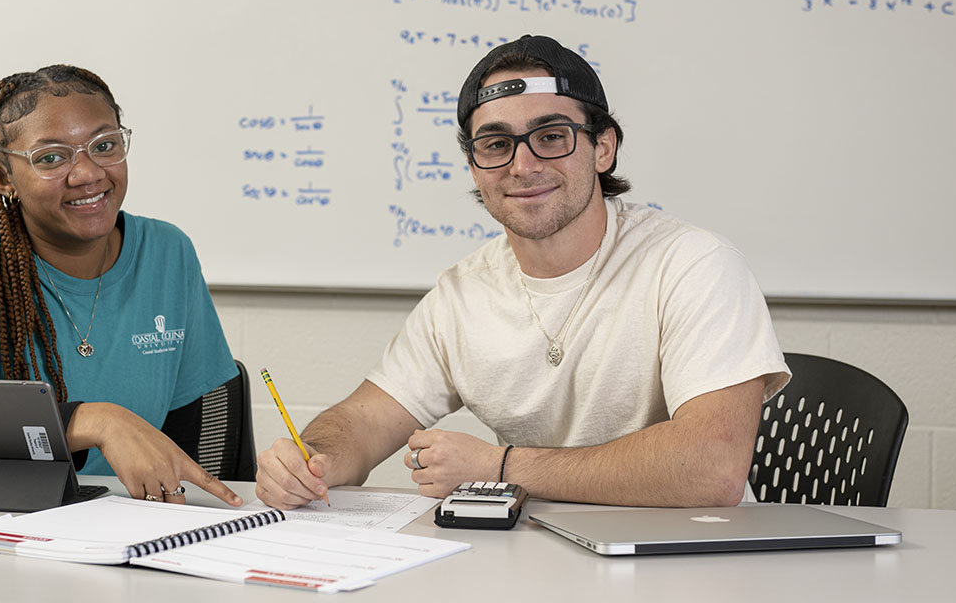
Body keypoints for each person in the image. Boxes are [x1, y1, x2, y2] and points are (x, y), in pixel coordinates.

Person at [256, 35, 790, 509]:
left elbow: (711, 468)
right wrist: (313, 460)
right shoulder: (463, 293)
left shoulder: (693, 266)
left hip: (692, 559)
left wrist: (501, 468)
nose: (522, 165)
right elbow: (368, 419)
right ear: (473, 166)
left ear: (603, 147)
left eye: (551, 136)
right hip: (539, 561)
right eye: (495, 144)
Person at [0, 64, 242, 507]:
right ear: (1, 177)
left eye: (105, 145)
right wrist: (95, 421)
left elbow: (198, 436)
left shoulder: (167, 252)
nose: (87, 174)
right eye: (51, 157)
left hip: (133, 522)